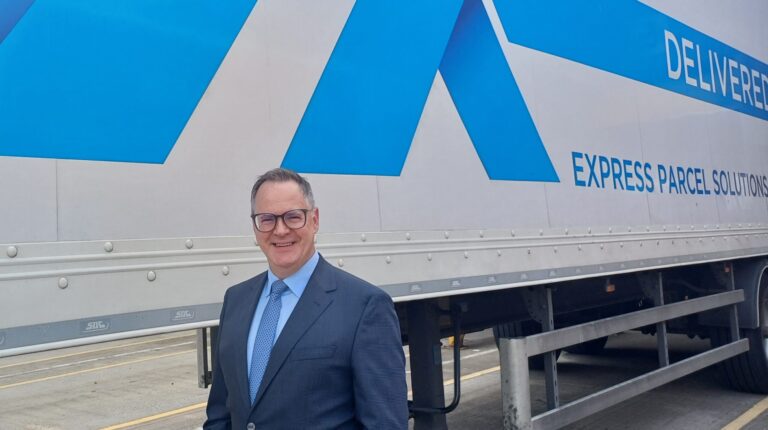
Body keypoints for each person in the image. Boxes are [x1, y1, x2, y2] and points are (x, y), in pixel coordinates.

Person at [204, 168, 408, 429]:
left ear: (315, 220)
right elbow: (221, 412)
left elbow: (384, 424)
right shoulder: (235, 300)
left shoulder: (365, 306)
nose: (280, 230)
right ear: (255, 227)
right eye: (267, 219)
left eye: (293, 216)